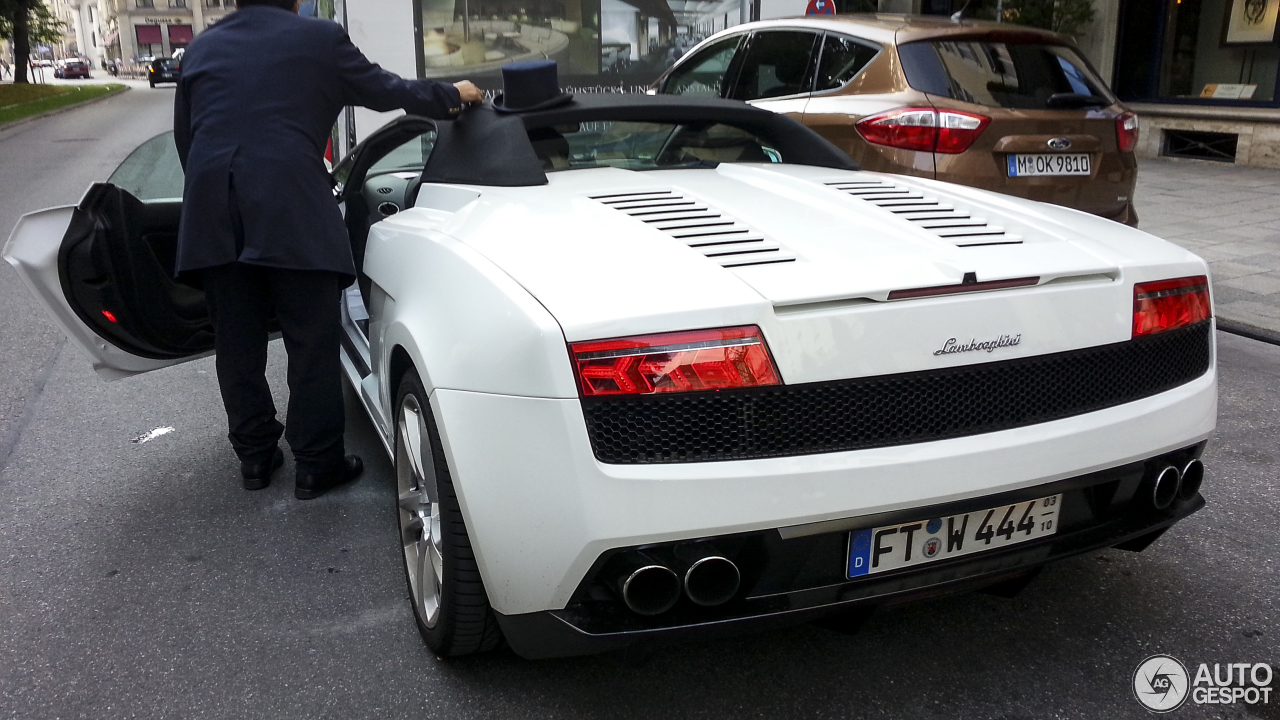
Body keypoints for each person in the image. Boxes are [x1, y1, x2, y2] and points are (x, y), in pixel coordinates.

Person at [173, 0, 482, 499]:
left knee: (237, 342)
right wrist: (453, 94)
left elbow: (188, 142)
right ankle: (317, 463)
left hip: (213, 211)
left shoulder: (201, 48)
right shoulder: (319, 38)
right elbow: (390, 91)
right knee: (310, 339)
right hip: (291, 205)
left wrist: (224, 192)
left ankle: (254, 458)